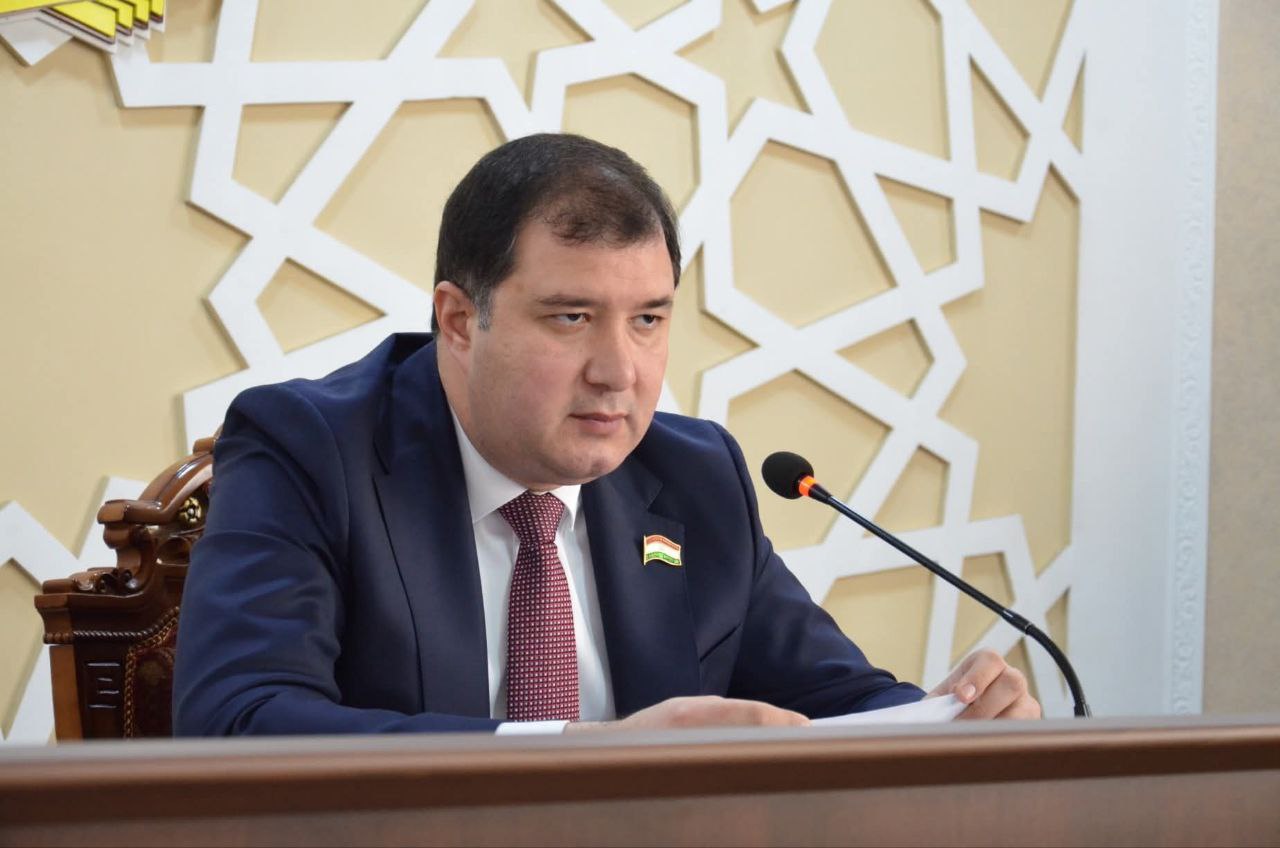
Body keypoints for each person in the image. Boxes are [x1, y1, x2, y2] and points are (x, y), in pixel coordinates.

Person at [173, 133, 1038, 736]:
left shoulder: (695, 474)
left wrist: (947, 719)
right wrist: (580, 752)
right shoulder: (308, 449)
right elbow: (238, 722)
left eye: (649, 319)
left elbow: (832, 699)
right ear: (460, 321)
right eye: (571, 317)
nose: (619, 371)